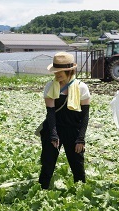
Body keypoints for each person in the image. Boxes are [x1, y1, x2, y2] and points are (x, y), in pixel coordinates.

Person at [38, 52, 91, 189]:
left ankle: (81, 195)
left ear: (69, 71)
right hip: (53, 127)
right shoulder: (50, 86)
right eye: (55, 72)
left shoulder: (81, 87)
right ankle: (41, 191)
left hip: (73, 130)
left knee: (77, 166)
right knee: (47, 164)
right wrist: (53, 134)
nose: (57, 75)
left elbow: (85, 116)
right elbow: (50, 113)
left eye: (60, 72)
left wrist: (81, 138)